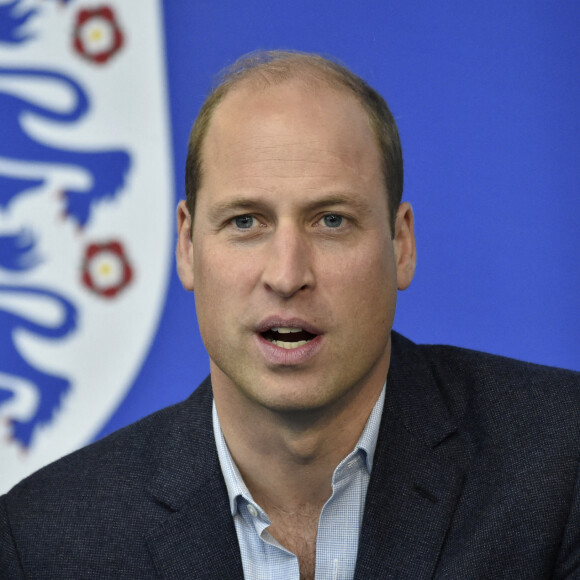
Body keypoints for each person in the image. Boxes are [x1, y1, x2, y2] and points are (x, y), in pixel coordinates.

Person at [1, 50, 579, 580]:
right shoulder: (41, 541)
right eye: (245, 222)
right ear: (186, 247)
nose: (286, 273)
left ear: (400, 244)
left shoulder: (562, 461)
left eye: (331, 220)